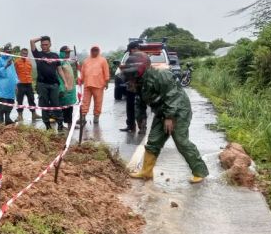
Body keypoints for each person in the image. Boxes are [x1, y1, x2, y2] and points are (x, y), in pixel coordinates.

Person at [122, 52, 208, 183]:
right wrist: (141, 119)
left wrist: (169, 117)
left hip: (179, 109)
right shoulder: (138, 82)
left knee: (180, 140)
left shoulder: (162, 75)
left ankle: (199, 172)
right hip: (162, 111)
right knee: (153, 141)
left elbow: (172, 95)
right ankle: (146, 172)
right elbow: (139, 102)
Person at [29, 35, 61, 130]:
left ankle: (60, 124)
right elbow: (31, 41)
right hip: (42, 84)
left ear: (50, 44)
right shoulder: (38, 55)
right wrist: (41, 37)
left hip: (54, 84)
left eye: (46, 44)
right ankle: (47, 125)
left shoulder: (55, 56)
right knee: (44, 104)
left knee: (56, 104)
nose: (44, 46)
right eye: (42, 45)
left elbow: (60, 70)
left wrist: (66, 82)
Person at [121, 40, 148, 134]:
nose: (129, 52)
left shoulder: (131, 58)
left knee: (131, 106)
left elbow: (127, 73)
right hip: (144, 86)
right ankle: (142, 127)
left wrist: (123, 72)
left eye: (130, 50)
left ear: (134, 49)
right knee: (141, 106)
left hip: (132, 86)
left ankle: (131, 126)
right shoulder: (146, 57)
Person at [79, 45, 110, 125]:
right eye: (93, 50)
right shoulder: (86, 61)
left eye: (96, 50)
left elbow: (106, 71)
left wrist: (106, 82)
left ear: (98, 51)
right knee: (85, 101)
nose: (94, 52)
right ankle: (83, 117)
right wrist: (80, 80)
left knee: (98, 102)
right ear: (91, 51)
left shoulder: (103, 60)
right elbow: (82, 71)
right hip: (87, 85)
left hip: (99, 85)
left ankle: (96, 117)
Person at [0, 44, 18, 125]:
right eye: (7, 51)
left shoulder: (11, 60)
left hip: (10, 86)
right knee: (3, 103)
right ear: (4, 51)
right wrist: (6, 65)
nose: (9, 53)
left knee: (11, 102)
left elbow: (14, 73)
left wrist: (16, 83)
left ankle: (7, 118)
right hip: (2, 86)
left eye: (10, 52)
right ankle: (1, 119)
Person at [14, 48, 38, 121]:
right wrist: (15, 85)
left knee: (31, 99)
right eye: (23, 53)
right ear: (20, 54)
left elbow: (30, 73)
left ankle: (34, 114)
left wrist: (32, 83)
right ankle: (20, 116)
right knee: (20, 100)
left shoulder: (29, 62)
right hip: (20, 84)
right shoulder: (17, 62)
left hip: (28, 84)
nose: (25, 55)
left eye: (26, 54)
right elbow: (14, 74)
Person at [57, 46, 78, 128]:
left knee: (69, 108)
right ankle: (61, 125)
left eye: (69, 52)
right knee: (62, 108)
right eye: (66, 52)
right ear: (62, 53)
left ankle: (70, 124)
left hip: (71, 89)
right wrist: (62, 87)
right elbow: (58, 75)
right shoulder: (59, 62)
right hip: (64, 89)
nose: (68, 54)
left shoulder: (67, 61)